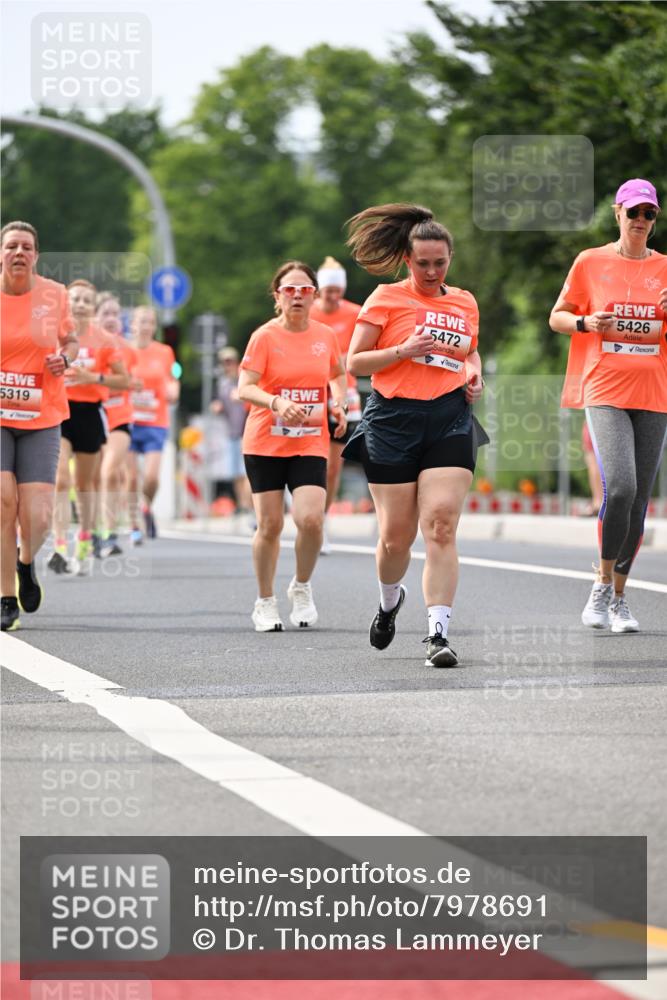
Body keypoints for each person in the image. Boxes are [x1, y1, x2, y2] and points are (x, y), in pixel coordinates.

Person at [343, 203, 484, 668]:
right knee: (395, 539)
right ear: (407, 260)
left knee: (440, 523)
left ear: (450, 258)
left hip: (449, 416)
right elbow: (354, 362)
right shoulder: (386, 298)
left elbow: (470, 351)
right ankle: (389, 602)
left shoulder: (464, 302)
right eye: (422, 263)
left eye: (440, 262)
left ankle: (438, 634)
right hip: (392, 420)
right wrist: (402, 350)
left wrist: (474, 373)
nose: (431, 271)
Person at [550, 178, 667, 633]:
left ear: (654, 220)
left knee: (638, 502)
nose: (640, 220)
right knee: (619, 487)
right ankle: (601, 583)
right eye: (633, 212)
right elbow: (557, 316)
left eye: (648, 213)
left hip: (654, 393)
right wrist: (585, 322)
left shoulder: (665, 267)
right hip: (604, 389)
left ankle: (619, 597)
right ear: (618, 213)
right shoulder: (590, 261)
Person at [238, 260, 348, 631]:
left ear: (314, 296)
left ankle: (301, 586)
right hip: (265, 441)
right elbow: (244, 387)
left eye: (305, 290)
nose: (297, 296)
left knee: (311, 520)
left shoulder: (325, 336)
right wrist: (277, 402)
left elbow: (337, 374)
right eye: (290, 290)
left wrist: (338, 401)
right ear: (277, 296)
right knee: (270, 525)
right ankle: (265, 601)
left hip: (310, 439)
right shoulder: (264, 337)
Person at [1, 221, 78, 631]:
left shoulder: (54, 295)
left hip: (42, 414)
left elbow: (71, 342)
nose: (19, 253)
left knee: (39, 514)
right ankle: (6, 596)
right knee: (3, 501)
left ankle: (25, 561)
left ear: (36, 256)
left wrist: (64, 359)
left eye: (26, 247)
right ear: (1, 254)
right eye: (11, 246)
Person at [48, 280, 128, 575]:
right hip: (59, 411)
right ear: (65, 303)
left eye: (86, 300)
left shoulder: (105, 340)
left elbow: (124, 380)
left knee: (85, 485)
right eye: (75, 299)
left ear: (94, 307)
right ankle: (59, 545)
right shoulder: (53, 334)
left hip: (90, 413)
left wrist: (94, 378)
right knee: (60, 479)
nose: (80, 304)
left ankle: (83, 539)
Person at [309, 257, 362, 553]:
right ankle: (307, 513)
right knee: (310, 460)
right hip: (310, 392)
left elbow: (366, 346)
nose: (333, 297)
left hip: (344, 393)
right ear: (319, 290)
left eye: (338, 291)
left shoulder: (354, 313)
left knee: (332, 466)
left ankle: (321, 521)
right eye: (328, 291)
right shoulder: (308, 312)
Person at [127, 306, 179, 544]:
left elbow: (173, 377)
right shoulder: (123, 350)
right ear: (132, 324)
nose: (146, 326)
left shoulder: (164, 352)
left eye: (150, 322)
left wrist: (174, 390)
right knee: (130, 478)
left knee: (151, 477)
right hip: (128, 420)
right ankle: (134, 526)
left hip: (155, 421)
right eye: (142, 321)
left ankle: (146, 506)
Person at [98, 293, 139, 555]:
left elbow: (132, 380)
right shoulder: (85, 346)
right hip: (92, 414)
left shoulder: (128, 349)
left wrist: (132, 383)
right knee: (91, 478)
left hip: (120, 415)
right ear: (95, 317)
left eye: (116, 314)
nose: (112, 319)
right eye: (106, 313)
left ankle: (109, 534)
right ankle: (92, 530)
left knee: (110, 471)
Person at [210, 346, 252, 513]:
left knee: (247, 471)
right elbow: (216, 402)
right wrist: (216, 406)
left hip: (246, 430)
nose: (227, 366)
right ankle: (242, 505)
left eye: (230, 362)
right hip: (231, 432)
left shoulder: (244, 380)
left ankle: (249, 504)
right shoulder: (222, 384)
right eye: (224, 363)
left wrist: (242, 397)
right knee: (235, 472)